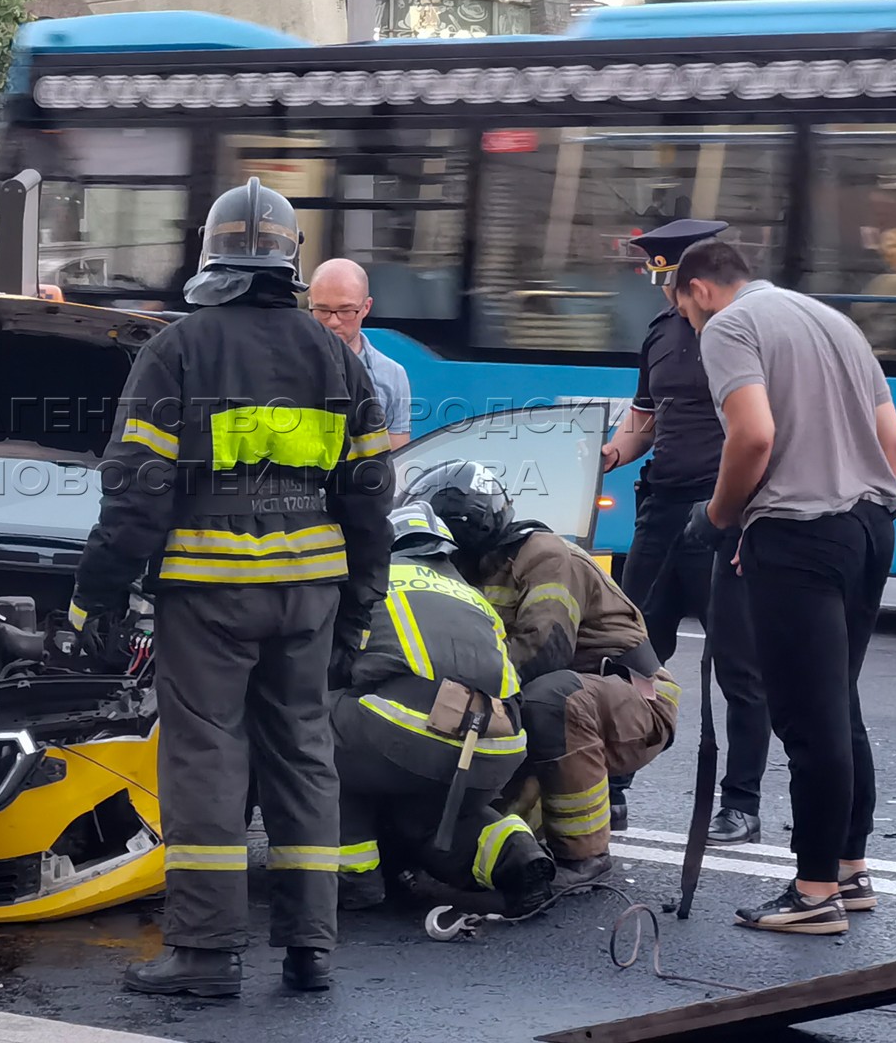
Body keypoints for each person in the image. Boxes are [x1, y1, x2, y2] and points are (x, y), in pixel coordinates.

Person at [69, 177, 395, 997]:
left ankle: (208, 954)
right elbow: (371, 500)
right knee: (304, 758)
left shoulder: (176, 351)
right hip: (310, 594)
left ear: (211, 254)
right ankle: (311, 948)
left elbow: (137, 494)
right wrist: (357, 612)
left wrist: (95, 599)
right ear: (292, 260)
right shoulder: (334, 354)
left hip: (208, 597)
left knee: (208, 760)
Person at [674, 240, 896, 936]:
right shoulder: (833, 320)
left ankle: (812, 895)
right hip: (871, 526)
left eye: (683, 310)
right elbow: (891, 441)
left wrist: (717, 518)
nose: (689, 325)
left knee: (808, 719)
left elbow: (752, 437)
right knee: (840, 704)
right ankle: (849, 869)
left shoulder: (730, 328)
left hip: (799, 536)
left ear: (699, 291)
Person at [404, 460, 680, 890]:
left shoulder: (545, 556)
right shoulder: (469, 570)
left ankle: (585, 854)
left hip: (634, 701)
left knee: (547, 698)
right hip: (563, 703)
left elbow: (543, 651)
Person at [601, 220, 771, 846]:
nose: (661, 289)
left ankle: (741, 805)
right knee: (631, 650)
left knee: (740, 665)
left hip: (726, 511)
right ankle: (611, 790)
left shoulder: (745, 332)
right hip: (662, 508)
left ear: (688, 280)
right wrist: (611, 454)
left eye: (665, 277)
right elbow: (646, 417)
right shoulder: (660, 334)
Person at [331, 502, 555, 919]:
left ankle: (354, 876)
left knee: (309, 728)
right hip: (498, 745)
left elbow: (334, 665)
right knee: (436, 816)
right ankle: (518, 858)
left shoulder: (372, 581)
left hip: (410, 734)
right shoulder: (473, 596)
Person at [308, 258, 413, 449]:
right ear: (310, 304)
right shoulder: (289, 364)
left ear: (366, 307)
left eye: (346, 310)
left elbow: (398, 457)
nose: (333, 321)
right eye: (322, 310)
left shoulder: (392, 376)